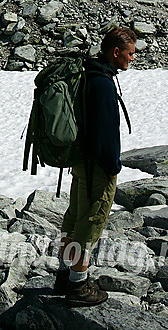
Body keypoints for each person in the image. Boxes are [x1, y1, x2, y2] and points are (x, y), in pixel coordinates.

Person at [55, 26, 136, 307]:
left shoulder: (89, 73)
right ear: (116, 52)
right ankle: (78, 284)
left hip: (80, 161)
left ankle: (64, 274)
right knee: (91, 221)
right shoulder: (102, 83)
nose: (132, 58)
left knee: (75, 216)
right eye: (129, 53)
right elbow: (106, 132)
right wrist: (112, 165)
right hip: (97, 166)